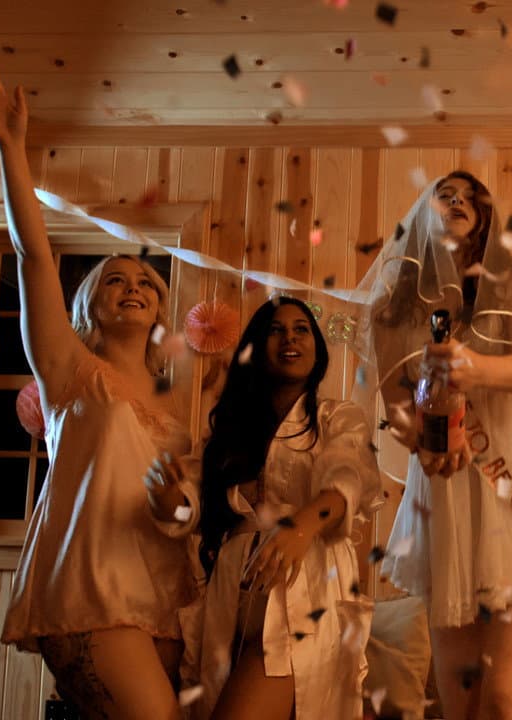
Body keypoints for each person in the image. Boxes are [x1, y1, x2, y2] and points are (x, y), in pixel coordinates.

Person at [0, 67, 195, 718]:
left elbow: (183, 514)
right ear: (88, 305)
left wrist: (179, 504)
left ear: (160, 309)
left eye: (145, 282)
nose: (134, 287)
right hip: (90, 591)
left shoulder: (176, 412)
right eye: (114, 279)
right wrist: (11, 148)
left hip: (167, 603)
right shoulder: (69, 371)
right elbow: (34, 256)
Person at [352, 171, 512, 719]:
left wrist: (473, 368)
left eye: (469, 198)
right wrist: (428, 435)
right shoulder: (393, 309)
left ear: (485, 217)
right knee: (462, 704)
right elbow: (399, 415)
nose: (457, 201)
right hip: (446, 508)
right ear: (422, 213)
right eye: (445, 195)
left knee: (504, 698)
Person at [148, 296, 381, 719]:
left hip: (305, 590)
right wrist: (167, 502)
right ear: (257, 346)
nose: (290, 338)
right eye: (276, 330)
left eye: (301, 329)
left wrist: (301, 527)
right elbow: (190, 510)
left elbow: (346, 477)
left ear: (317, 349)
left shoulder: (337, 417)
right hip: (231, 600)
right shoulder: (230, 433)